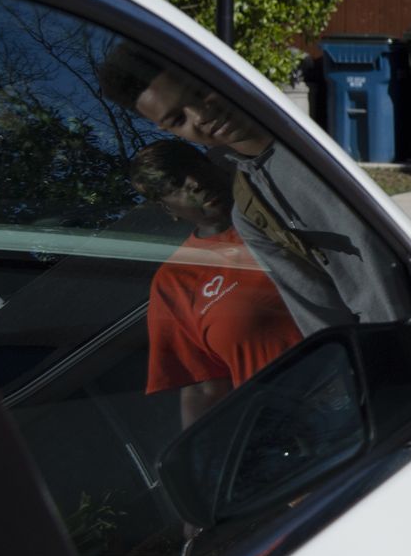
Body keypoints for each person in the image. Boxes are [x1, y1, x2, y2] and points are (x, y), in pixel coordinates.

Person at [99, 43, 408, 334]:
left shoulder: (329, 133)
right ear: (167, 130)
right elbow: (325, 323)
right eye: (179, 118)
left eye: (199, 90)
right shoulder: (253, 211)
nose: (203, 116)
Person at [130, 140, 303, 427]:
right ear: (167, 208)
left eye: (194, 168)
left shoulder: (284, 202)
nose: (195, 183)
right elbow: (202, 388)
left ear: (212, 165)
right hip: (300, 425)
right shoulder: (176, 280)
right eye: (175, 184)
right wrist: (202, 462)